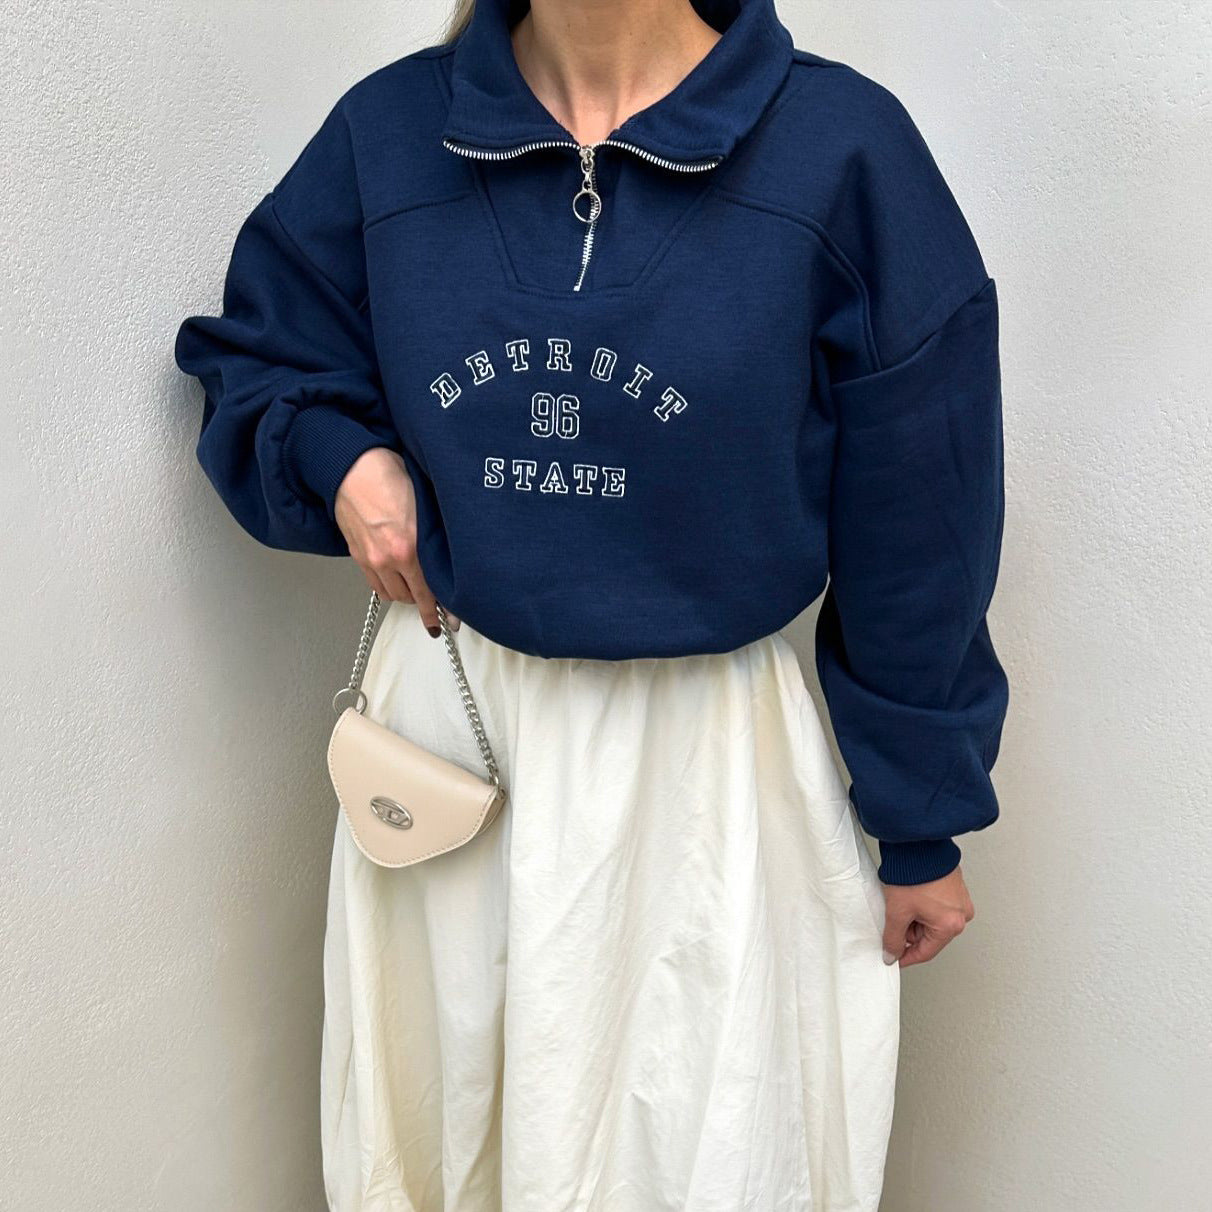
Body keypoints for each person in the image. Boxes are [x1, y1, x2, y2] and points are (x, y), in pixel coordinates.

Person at [174, 0, 1009, 1207]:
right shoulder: (390, 133)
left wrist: (920, 820)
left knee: (707, 1150)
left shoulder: (841, 150)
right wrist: (340, 459)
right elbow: (258, 352)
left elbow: (921, 519)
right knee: (451, 1134)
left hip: (710, 763)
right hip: (452, 738)